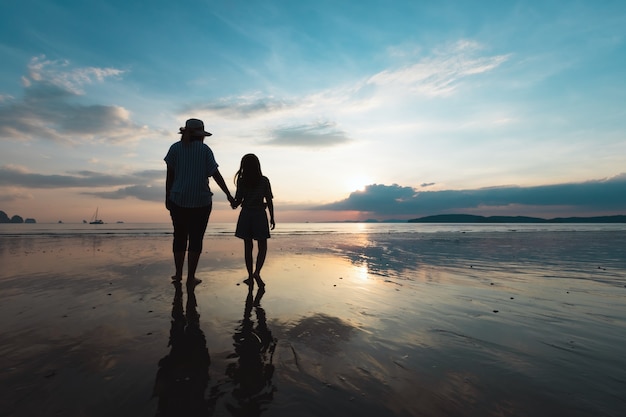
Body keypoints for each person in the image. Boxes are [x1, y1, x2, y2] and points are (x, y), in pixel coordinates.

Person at [165, 118, 235, 285]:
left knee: (179, 237)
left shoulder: (175, 148)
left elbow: (170, 176)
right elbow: (215, 174)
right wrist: (228, 194)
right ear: (201, 135)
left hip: (178, 198)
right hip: (201, 201)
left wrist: (167, 196)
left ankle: (178, 274)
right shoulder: (204, 150)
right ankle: (191, 277)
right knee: (196, 238)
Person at [231, 154, 275, 288]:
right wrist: (272, 217)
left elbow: (237, 201)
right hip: (260, 215)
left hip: (246, 215)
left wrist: (232, 202)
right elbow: (269, 200)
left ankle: (250, 276)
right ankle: (257, 272)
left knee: (248, 247)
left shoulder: (242, 181)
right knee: (262, 246)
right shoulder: (264, 180)